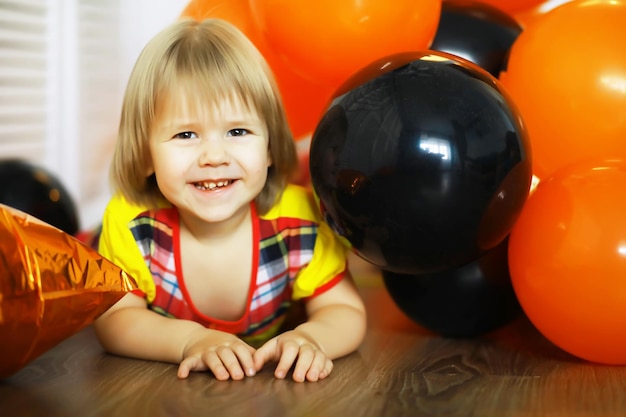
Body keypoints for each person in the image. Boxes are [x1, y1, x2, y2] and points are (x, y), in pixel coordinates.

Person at [94, 18, 367, 383]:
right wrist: (191, 340)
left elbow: (344, 309)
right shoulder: (134, 224)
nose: (214, 156)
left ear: (269, 147)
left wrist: (310, 338)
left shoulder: (299, 221)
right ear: (144, 154)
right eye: (186, 133)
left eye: (237, 131)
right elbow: (114, 319)